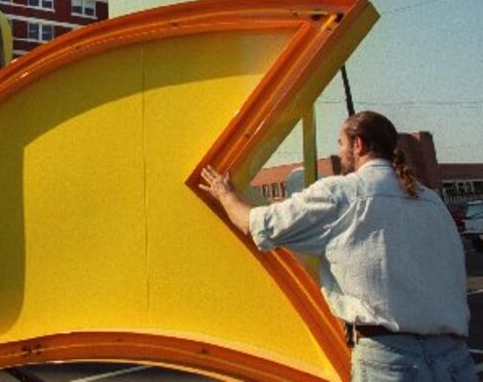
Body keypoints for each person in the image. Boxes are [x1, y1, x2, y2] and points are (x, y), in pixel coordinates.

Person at [199, 110, 475, 381]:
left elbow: (258, 225)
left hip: (389, 360)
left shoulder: (341, 193)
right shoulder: (430, 200)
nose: (341, 151)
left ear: (359, 144)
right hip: (453, 357)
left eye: (341, 143)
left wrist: (225, 194)